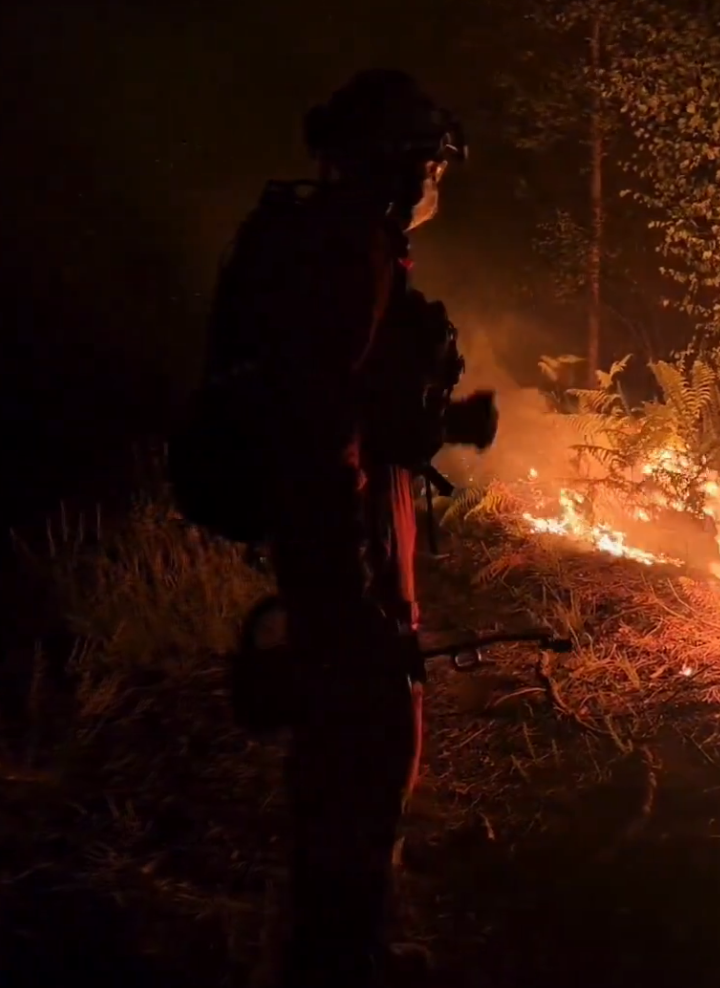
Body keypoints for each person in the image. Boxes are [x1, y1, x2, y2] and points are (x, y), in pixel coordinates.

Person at [250, 69, 496, 987]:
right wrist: (349, 583)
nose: (437, 182)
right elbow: (318, 417)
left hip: (349, 517)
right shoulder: (345, 248)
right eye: (433, 163)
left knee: (354, 735)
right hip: (341, 527)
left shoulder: (344, 241)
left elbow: (353, 399)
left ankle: (340, 936)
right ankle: (336, 957)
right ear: (400, 164)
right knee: (366, 735)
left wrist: (437, 421)